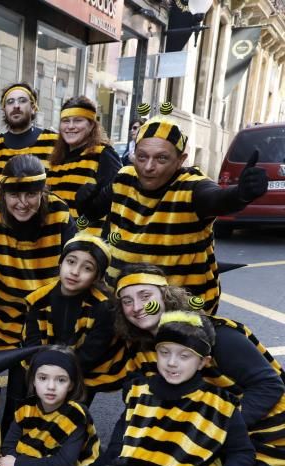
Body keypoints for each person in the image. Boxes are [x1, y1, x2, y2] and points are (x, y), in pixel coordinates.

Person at [109, 264, 285, 466]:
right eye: (127, 301)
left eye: (145, 296)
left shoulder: (218, 336)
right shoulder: (140, 348)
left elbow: (269, 384)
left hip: (259, 437)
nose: (136, 307)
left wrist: (217, 432)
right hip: (198, 440)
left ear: (166, 296)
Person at [82, 311, 255, 466]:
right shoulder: (140, 389)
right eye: (165, 353)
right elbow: (123, 431)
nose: (172, 363)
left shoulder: (220, 403)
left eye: (184, 356)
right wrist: (111, 463)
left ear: (203, 362)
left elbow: (243, 452)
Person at [81, 104, 269, 313]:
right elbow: (95, 210)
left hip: (178, 314)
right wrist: (86, 200)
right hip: (125, 305)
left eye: (161, 158)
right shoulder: (124, 177)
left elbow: (216, 199)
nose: (148, 166)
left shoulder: (191, 186)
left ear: (181, 160)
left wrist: (240, 194)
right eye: (142, 157)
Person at [0, 154, 74, 431]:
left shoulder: (60, 214)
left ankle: (13, 445)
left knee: (23, 390)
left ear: (42, 192)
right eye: (15, 195)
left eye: (31, 194)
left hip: (36, 314)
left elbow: (70, 272)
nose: (22, 203)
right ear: (2, 193)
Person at [22, 233, 119, 401]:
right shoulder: (38, 299)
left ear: (97, 276)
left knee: (72, 419)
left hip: (80, 375)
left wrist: (63, 376)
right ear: (60, 263)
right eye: (71, 261)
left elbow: (91, 354)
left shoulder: (103, 307)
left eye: (87, 268)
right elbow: (32, 343)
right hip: (42, 370)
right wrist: (47, 374)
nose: (75, 272)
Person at [46, 96, 121, 237]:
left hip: (86, 245)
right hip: (55, 241)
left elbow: (117, 199)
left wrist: (91, 202)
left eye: (78, 120)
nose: (70, 126)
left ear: (91, 125)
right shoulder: (56, 159)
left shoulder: (103, 154)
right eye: (65, 121)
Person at [0, 83, 59, 194]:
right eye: (10, 102)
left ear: (33, 108)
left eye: (22, 100)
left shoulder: (52, 141)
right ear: (4, 110)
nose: (16, 106)